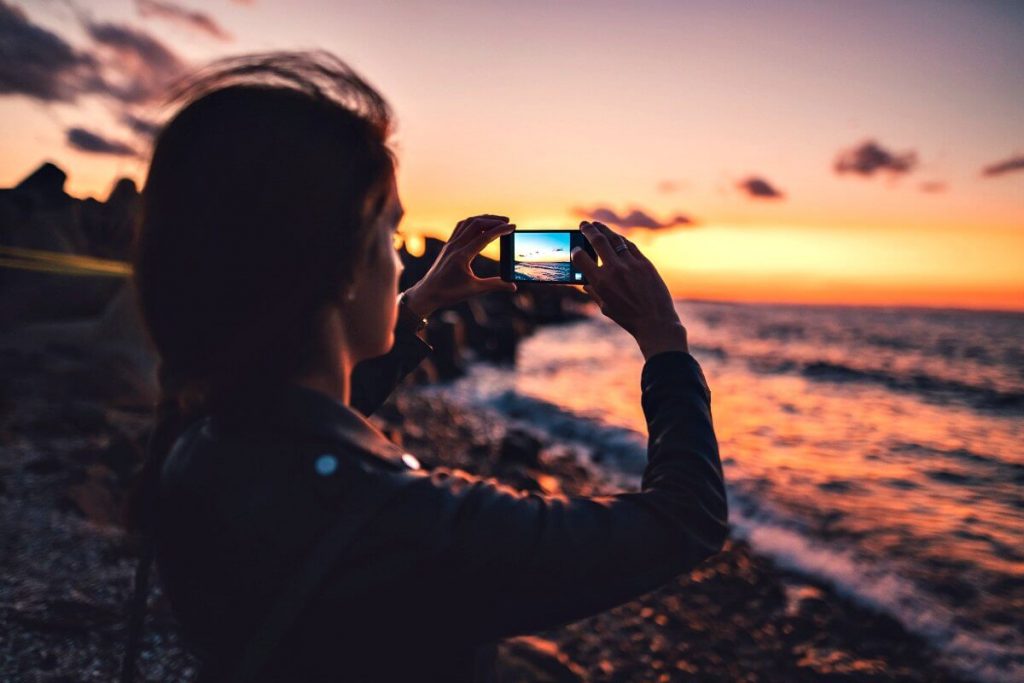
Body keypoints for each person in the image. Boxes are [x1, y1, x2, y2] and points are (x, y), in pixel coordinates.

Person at [125, 50, 727, 682]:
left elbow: (304, 413)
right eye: (390, 237)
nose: (401, 260)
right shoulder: (402, 524)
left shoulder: (205, 436)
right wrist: (665, 345)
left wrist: (417, 305)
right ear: (339, 272)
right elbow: (685, 521)